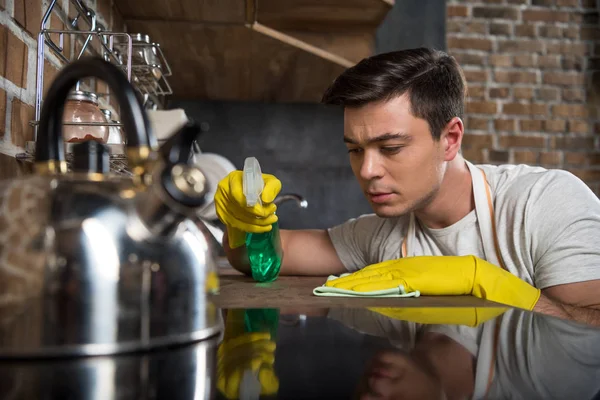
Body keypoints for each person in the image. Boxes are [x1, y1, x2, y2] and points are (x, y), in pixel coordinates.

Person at [215, 47, 600, 324]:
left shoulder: (545, 202)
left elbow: (593, 327)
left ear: (450, 139)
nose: (367, 170)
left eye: (391, 147)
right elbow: (264, 258)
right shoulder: (381, 234)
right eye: (355, 149)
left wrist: (484, 282)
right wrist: (247, 223)